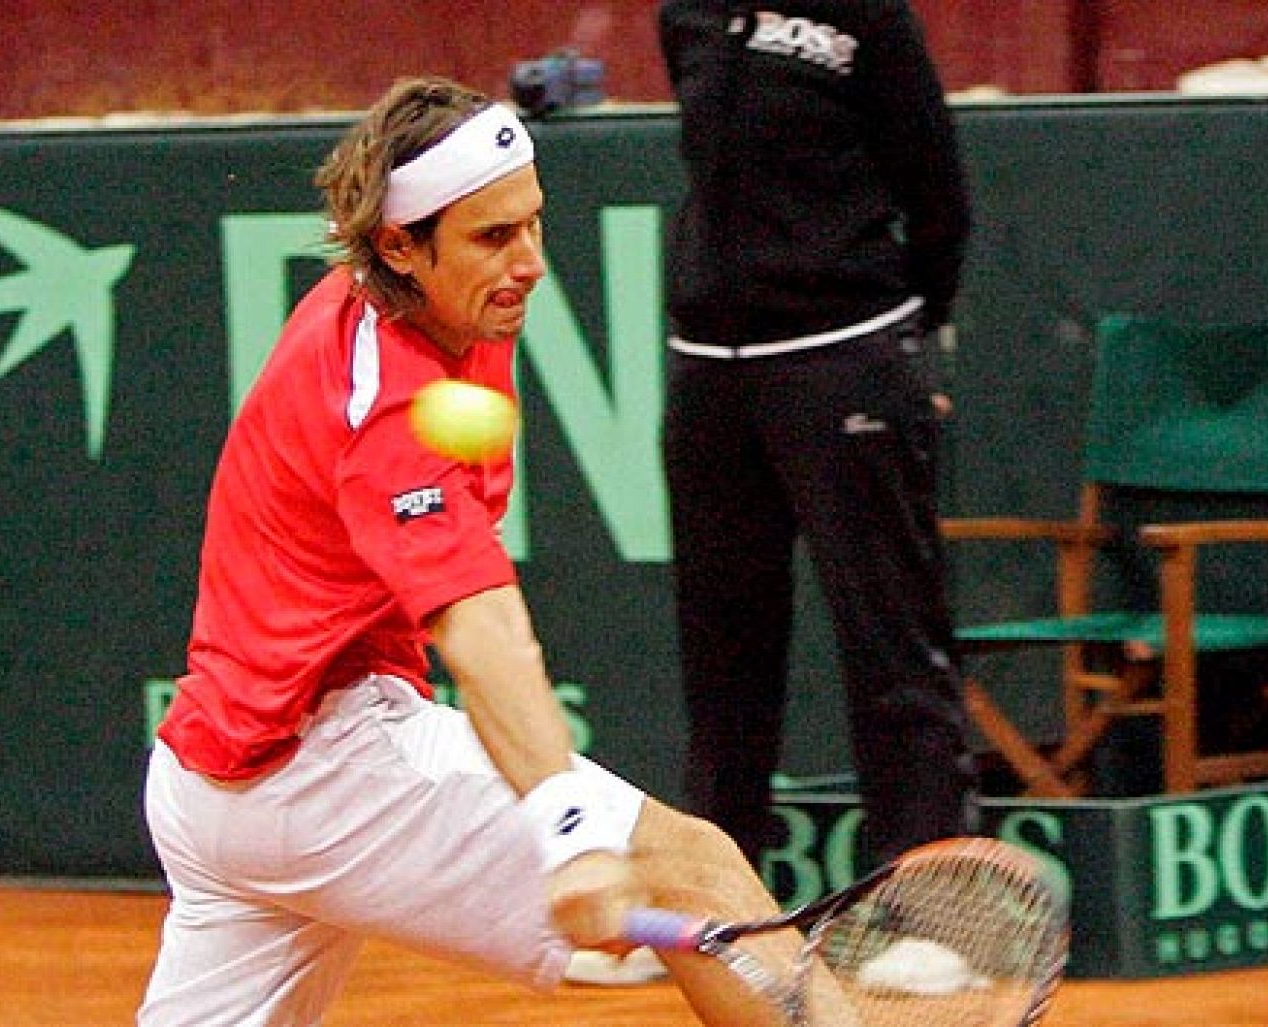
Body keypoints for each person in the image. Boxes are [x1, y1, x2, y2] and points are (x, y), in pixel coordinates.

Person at [139, 76, 819, 1026]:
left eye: (533, 222)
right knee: (693, 867)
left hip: (213, 783)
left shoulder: (441, 304)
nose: (530, 261)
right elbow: (481, 629)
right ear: (399, 245)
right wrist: (567, 826)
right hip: (315, 763)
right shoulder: (393, 408)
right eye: (494, 236)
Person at [657, 1, 980, 871]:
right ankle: (723, 906)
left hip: (844, 356)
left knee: (890, 648)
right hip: (709, 374)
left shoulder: (867, 14)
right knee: (722, 666)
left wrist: (893, 335)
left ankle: (925, 902)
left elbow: (940, 197)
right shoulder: (686, 13)